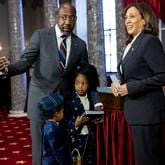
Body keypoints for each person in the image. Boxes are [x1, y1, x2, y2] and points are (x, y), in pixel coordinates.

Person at [0, 3, 102, 165]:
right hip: (40, 102)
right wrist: (6, 69)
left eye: (72, 18)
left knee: (63, 149)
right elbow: (24, 63)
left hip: (64, 106)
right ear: (56, 18)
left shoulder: (80, 45)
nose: (67, 22)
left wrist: (96, 102)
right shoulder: (40, 36)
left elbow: (87, 76)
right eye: (64, 17)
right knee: (41, 151)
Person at [111, 2, 165, 165]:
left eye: (132, 16)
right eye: (125, 17)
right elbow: (133, 75)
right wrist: (119, 86)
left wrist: (130, 87)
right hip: (136, 113)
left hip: (147, 113)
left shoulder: (149, 41)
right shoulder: (131, 44)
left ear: (144, 20)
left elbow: (162, 75)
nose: (127, 20)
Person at [64, 64, 103, 165]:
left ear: (89, 84)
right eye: (77, 83)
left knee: (91, 160)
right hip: (76, 138)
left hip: (90, 137)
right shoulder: (70, 100)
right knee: (77, 161)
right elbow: (65, 120)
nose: (80, 87)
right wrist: (75, 124)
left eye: (83, 83)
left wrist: (97, 118)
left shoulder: (91, 97)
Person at [38, 93, 72, 165]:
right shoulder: (53, 130)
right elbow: (59, 153)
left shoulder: (47, 124)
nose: (64, 112)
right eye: (62, 111)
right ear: (56, 113)